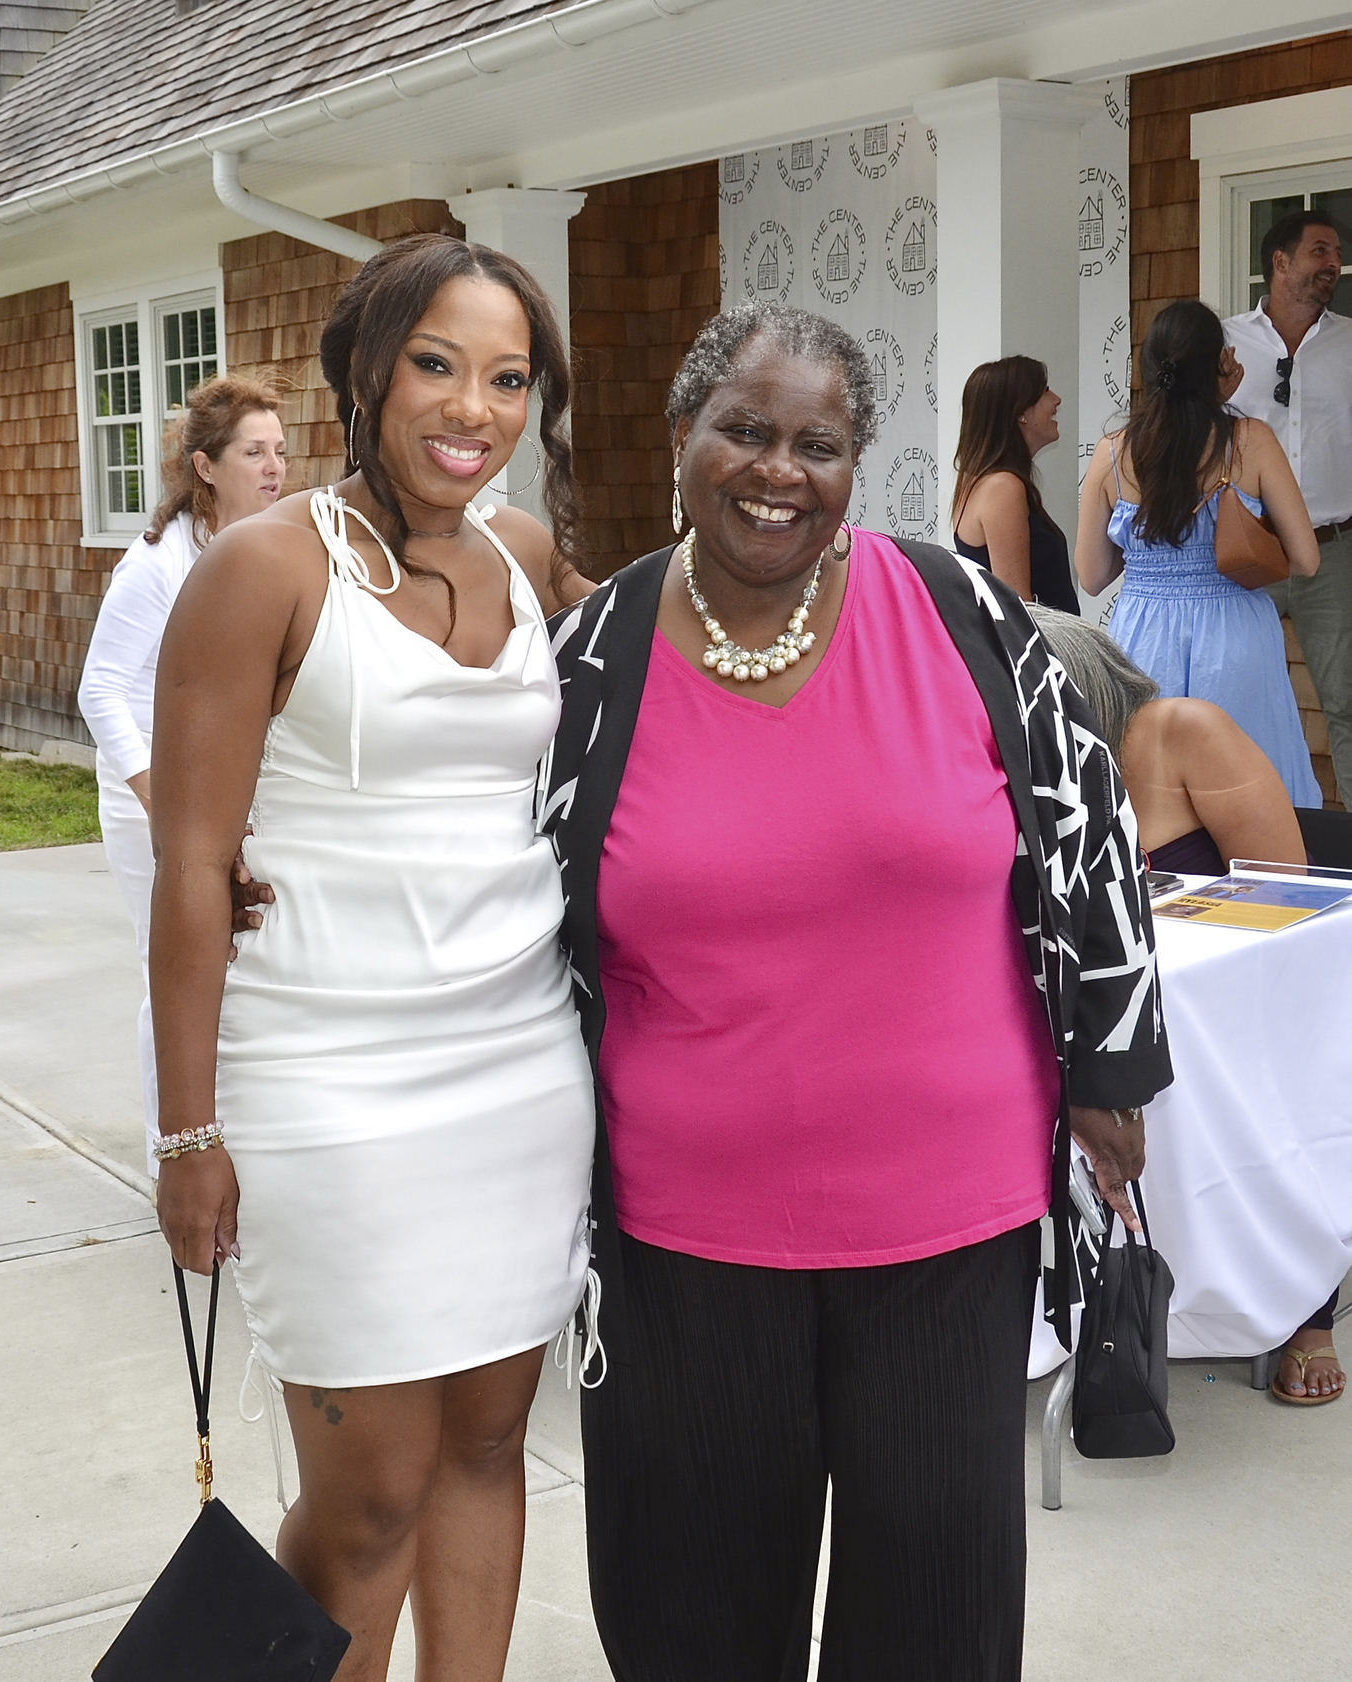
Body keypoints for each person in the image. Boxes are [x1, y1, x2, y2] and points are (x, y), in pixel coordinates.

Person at [539, 301, 1171, 1680]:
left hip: (948, 1224)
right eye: (746, 431)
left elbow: (1089, 826)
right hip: (685, 1234)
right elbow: (500, 886)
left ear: (857, 458)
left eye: (816, 442)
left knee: (933, 1622)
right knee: (695, 1617)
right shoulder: (594, 657)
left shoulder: (961, 612)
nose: (779, 469)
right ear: (684, 437)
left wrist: (1113, 1071)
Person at [148, 233, 595, 1682]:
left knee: (485, 1445)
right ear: (364, 369)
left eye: (510, 377)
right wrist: (188, 1131)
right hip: (328, 1075)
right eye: (438, 364)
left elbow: (667, 671)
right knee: (372, 1488)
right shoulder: (262, 568)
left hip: (518, 1063)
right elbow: (191, 866)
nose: (475, 408)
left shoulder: (526, 558)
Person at [1030, 605, 1345, 1407]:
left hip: (1244, 1004)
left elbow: (1289, 898)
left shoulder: (1176, 731)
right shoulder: (1030, 771)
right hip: (1114, 1013)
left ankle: (1309, 1312)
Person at [78, 373, 287, 1170]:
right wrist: (163, 801)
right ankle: (172, 1151)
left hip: (226, 789)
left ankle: (235, 1136)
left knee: (236, 969)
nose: (273, 467)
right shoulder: (159, 563)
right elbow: (99, 690)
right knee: (171, 966)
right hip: (150, 799)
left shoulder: (265, 548)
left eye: (279, 451)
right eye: (252, 452)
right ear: (206, 466)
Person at [1076, 298, 1323, 809]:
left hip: (1142, 640)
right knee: (1248, 790)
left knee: (1152, 798)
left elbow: (1093, 575)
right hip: (1234, 633)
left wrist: (1151, 556)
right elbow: (1307, 558)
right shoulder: (1249, 441)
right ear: (1221, 363)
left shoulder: (1113, 453)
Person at [1225, 209, 1352, 805]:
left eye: (1335, 254)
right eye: (1320, 251)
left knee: (1348, 701)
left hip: (1333, 552)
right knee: (1232, 693)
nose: (1334, 264)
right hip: (1248, 547)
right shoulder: (1223, 345)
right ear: (1280, 262)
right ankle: (1239, 831)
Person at [952, 354, 1080, 612]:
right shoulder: (1002, 487)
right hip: (1042, 648)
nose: (1056, 399)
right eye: (1044, 391)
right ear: (1020, 411)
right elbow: (1018, 609)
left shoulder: (984, 482)